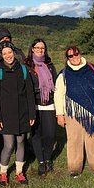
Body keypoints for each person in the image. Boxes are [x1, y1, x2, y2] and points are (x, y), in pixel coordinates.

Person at [54, 45, 94, 180]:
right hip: (73, 113)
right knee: (74, 140)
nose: (74, 58)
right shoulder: (64, 74)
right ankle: (75, 168)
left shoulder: (93, 69)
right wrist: (59, 114)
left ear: (80, 54)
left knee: (93, 140)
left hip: (93, 112)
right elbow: (58, 95)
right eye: (71, 56)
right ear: (67, 58)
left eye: (76, 54)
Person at [0, 41, 36, 187]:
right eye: (4, 54)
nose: (8, 56)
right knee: (9, 145)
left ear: (13, 52)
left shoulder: (23, 69)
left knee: (21, 142)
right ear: (1, 55)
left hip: (23, 113)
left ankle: (19, 172)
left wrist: (32, 115)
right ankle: (3, 173)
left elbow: (30, 94)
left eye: (9, 52)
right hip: (6, 115)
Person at [25, 38, 58, 176]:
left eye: (42, 48)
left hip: (49, 103)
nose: (40, 50)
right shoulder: (27, 65)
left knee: (50, 134)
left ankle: (48, 157)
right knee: (37, 135)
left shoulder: (49, 65)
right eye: (37, 48)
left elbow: (55, 83)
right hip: (35, 104)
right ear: (32, 49)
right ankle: (41, 161)